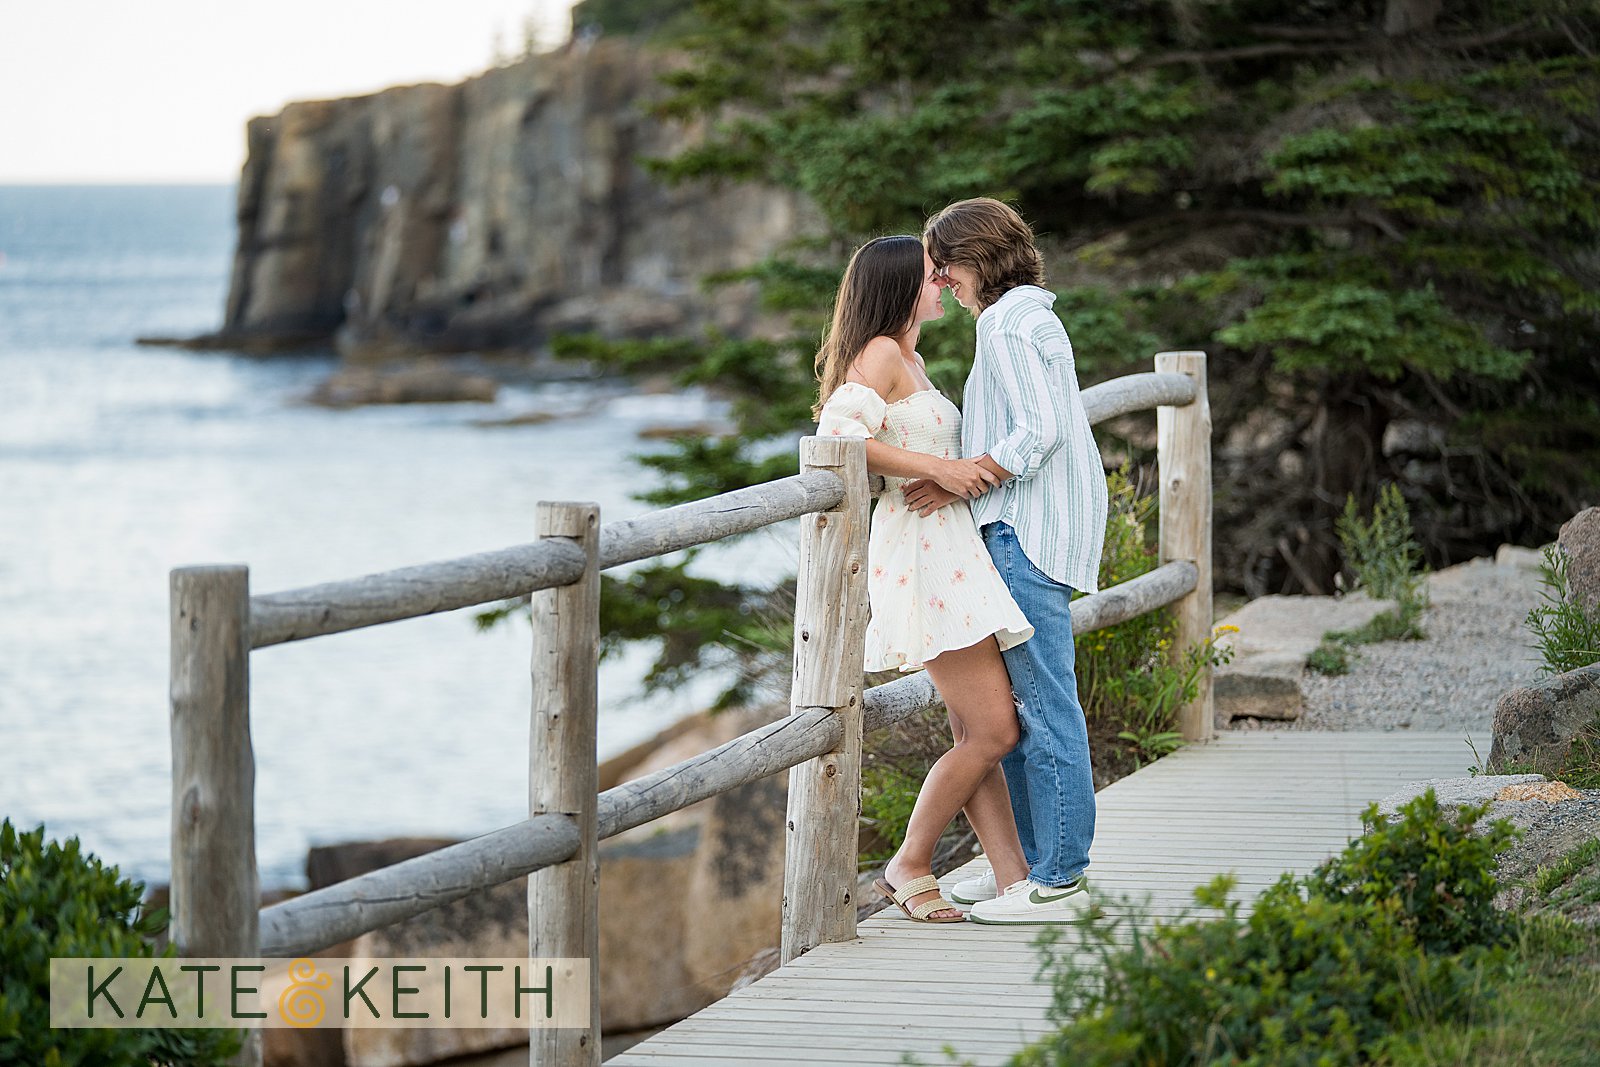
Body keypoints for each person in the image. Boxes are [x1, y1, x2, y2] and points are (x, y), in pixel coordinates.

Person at [814, 235, 1032, 924]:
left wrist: (945, 474)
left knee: (979, 730)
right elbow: (836, 439)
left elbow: (918, 451)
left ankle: (1013, 878)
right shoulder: (880, 352)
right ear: (903, 284)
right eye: (932, 276)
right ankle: (909, 861)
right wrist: (935, 469)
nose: (943, 284)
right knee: (995, 731)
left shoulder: (913, 358)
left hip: (946, 546)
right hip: (919, 555)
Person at [907, 197, 1108, 924]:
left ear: (976, 257)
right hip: (1033, 529)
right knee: (1029, 707)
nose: (939, 279)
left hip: (1022, 532)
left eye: (943, 263)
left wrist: (972, 472)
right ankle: (1025, 872)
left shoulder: (1004, 324)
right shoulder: (1030, 316)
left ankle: (1059, 878)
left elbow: (1041, 430)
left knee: (1045, 705)